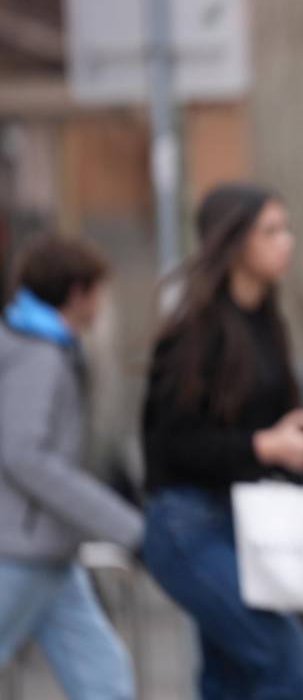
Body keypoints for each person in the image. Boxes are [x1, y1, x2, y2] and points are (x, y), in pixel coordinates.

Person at [140, 183, 303, 700]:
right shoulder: (193, 332)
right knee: (297, 675)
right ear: (232, 242)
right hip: (187, 528)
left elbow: (286, 440)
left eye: (287, 228)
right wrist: (262, 447)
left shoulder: (266, 325)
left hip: (247, 525)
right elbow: (168, 447)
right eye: (271, 231)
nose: (287, 241)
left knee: (229, 683)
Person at [0, 234, 142, 699]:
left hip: (49, 554)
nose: (103, 304)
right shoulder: (36, 354)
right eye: (99, 291)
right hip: (17, 550)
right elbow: (24, 454)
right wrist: (124, 526)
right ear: (78, 293)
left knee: (105, 679)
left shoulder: (47, 346)